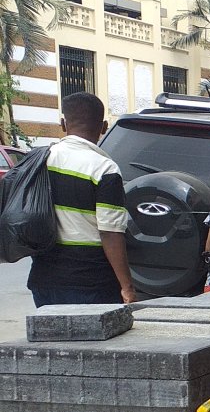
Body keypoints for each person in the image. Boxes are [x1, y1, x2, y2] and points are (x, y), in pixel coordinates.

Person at [26, 92, 136, 307]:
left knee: (49, 340)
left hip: (44, 280)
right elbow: (110, 232)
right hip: (91, 284)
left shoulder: (39, 160)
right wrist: (127, 287)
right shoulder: (104, 169)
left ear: (63, 123)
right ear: (104, 127)